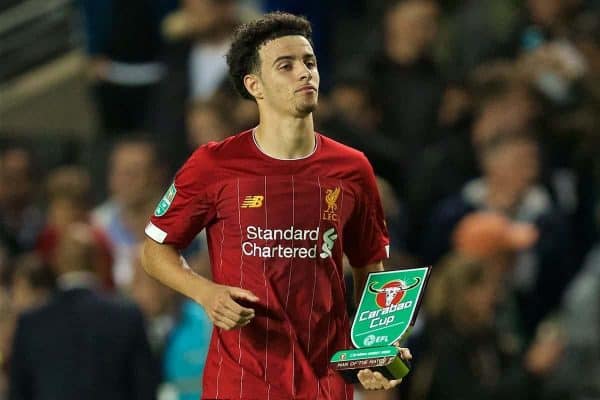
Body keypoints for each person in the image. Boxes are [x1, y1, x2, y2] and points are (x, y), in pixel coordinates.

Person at [142, 12, 411, 399]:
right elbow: (154, 251)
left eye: (309, 62)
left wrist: (375, 352)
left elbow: (371, 268)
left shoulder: (352, 169)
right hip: (240, 384)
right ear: (255, 85)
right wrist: (206, 293)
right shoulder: (213, 165)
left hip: (325, 384)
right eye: (286, 65)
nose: (304, 73)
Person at [9, 223, 159, 400]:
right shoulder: (128, 317)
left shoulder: (30, 324)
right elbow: (145, 388)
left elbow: (19, 393)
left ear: (58, 264)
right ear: (100, 263)